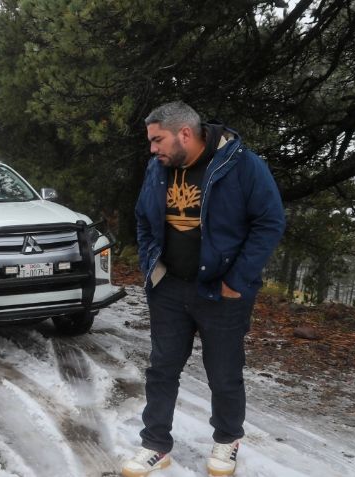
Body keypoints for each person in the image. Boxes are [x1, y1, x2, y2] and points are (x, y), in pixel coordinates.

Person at [124, 101, 285, 477]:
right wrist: (152, 265)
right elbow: (143, 218)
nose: (153, 149)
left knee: (224, 372)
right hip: (169, 289)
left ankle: (227, 440)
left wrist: (237, 281)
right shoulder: (158, 168)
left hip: (221, 292)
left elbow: (270, 222)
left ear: (184, 133)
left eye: (157, 140)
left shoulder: (241, 165)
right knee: (162, 369)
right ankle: (155, 445)